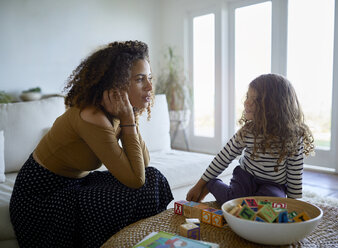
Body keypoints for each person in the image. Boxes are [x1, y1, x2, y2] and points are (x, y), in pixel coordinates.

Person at [9, 40, 174, 248]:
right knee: (137, 187)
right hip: (42, 197)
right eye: (140, 79)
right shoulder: (92, 115)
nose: (150, 86)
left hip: (75, 185)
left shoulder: (118, 112)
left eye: (149, 78)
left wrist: (129, 116)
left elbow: (144, 165)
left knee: (154, 178)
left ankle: (142, 241)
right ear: (118, 83)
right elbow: (136, 180)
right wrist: (128, 119)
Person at [187, 73, 315, 205]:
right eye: (248, 97)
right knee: (233, 203)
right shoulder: (248, 131)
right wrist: (199, 185)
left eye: (256, 99)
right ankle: (212, 184)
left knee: (272, 207)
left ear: (274, 106)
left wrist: (294, 205)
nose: (246, 102)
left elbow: (295, 173)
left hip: (273, 184)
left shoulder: (293, 136)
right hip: (245, 177)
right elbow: (224, 157)